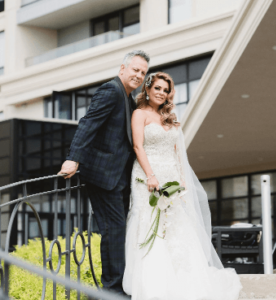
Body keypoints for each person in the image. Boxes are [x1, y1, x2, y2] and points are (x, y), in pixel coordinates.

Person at [123, 72, 242, 300]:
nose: (161, 93)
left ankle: (183, 282)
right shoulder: (139, 114)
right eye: (157, 88)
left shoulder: (170, 117)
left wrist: (182, 181)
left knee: (176, 228)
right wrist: (151, 176)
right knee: (150, 226)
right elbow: (138, 147)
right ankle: (154, 286)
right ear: (147, 89)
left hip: (172, 178)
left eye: (165, 90)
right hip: (147, 178)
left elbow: (178, 152)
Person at [58, 50, 149, 295]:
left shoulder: (130, 99)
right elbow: (88, 123)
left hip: (120, 177)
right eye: (135, 70)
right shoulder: (111, 90)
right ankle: (113, 290)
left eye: (143, 72)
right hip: (102, 174)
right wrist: (73, 158)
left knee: (119, 230)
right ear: (123, 69)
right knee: (114, 229)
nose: (139, 75)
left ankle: (119, 286)